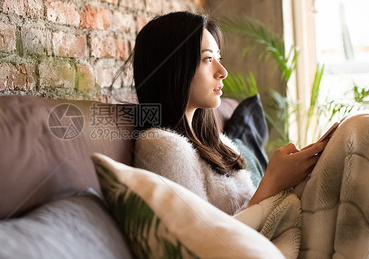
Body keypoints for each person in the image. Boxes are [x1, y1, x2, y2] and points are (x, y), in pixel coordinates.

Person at [132, 11, 328, 214]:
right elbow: (206, 239)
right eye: (208, 59)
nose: (223, 71)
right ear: (172, 68)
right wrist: (273, 180)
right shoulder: (163, 147)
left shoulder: (219, 143)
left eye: (218, 58)